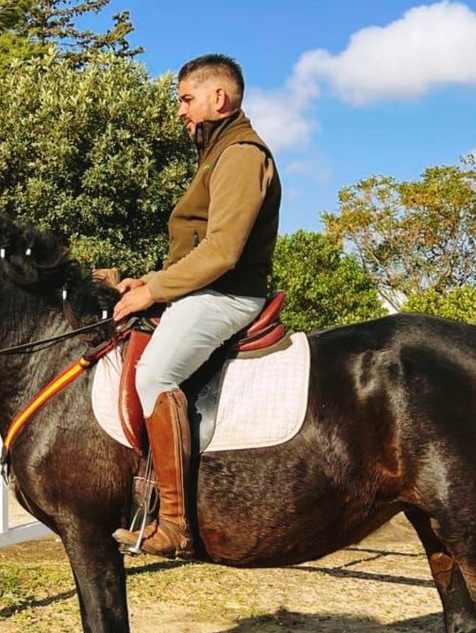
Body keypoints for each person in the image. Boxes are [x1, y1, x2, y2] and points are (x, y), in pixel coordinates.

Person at [111, 53, 282, 559]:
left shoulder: (241, 154)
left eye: (186, 99)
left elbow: (223, 251)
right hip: (202, 290)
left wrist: (153, 290)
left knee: (153, 376)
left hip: (227, 294)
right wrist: (153, 279)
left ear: (218, 98)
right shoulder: (218, 152)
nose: (181, 111)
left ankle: (176, 525)